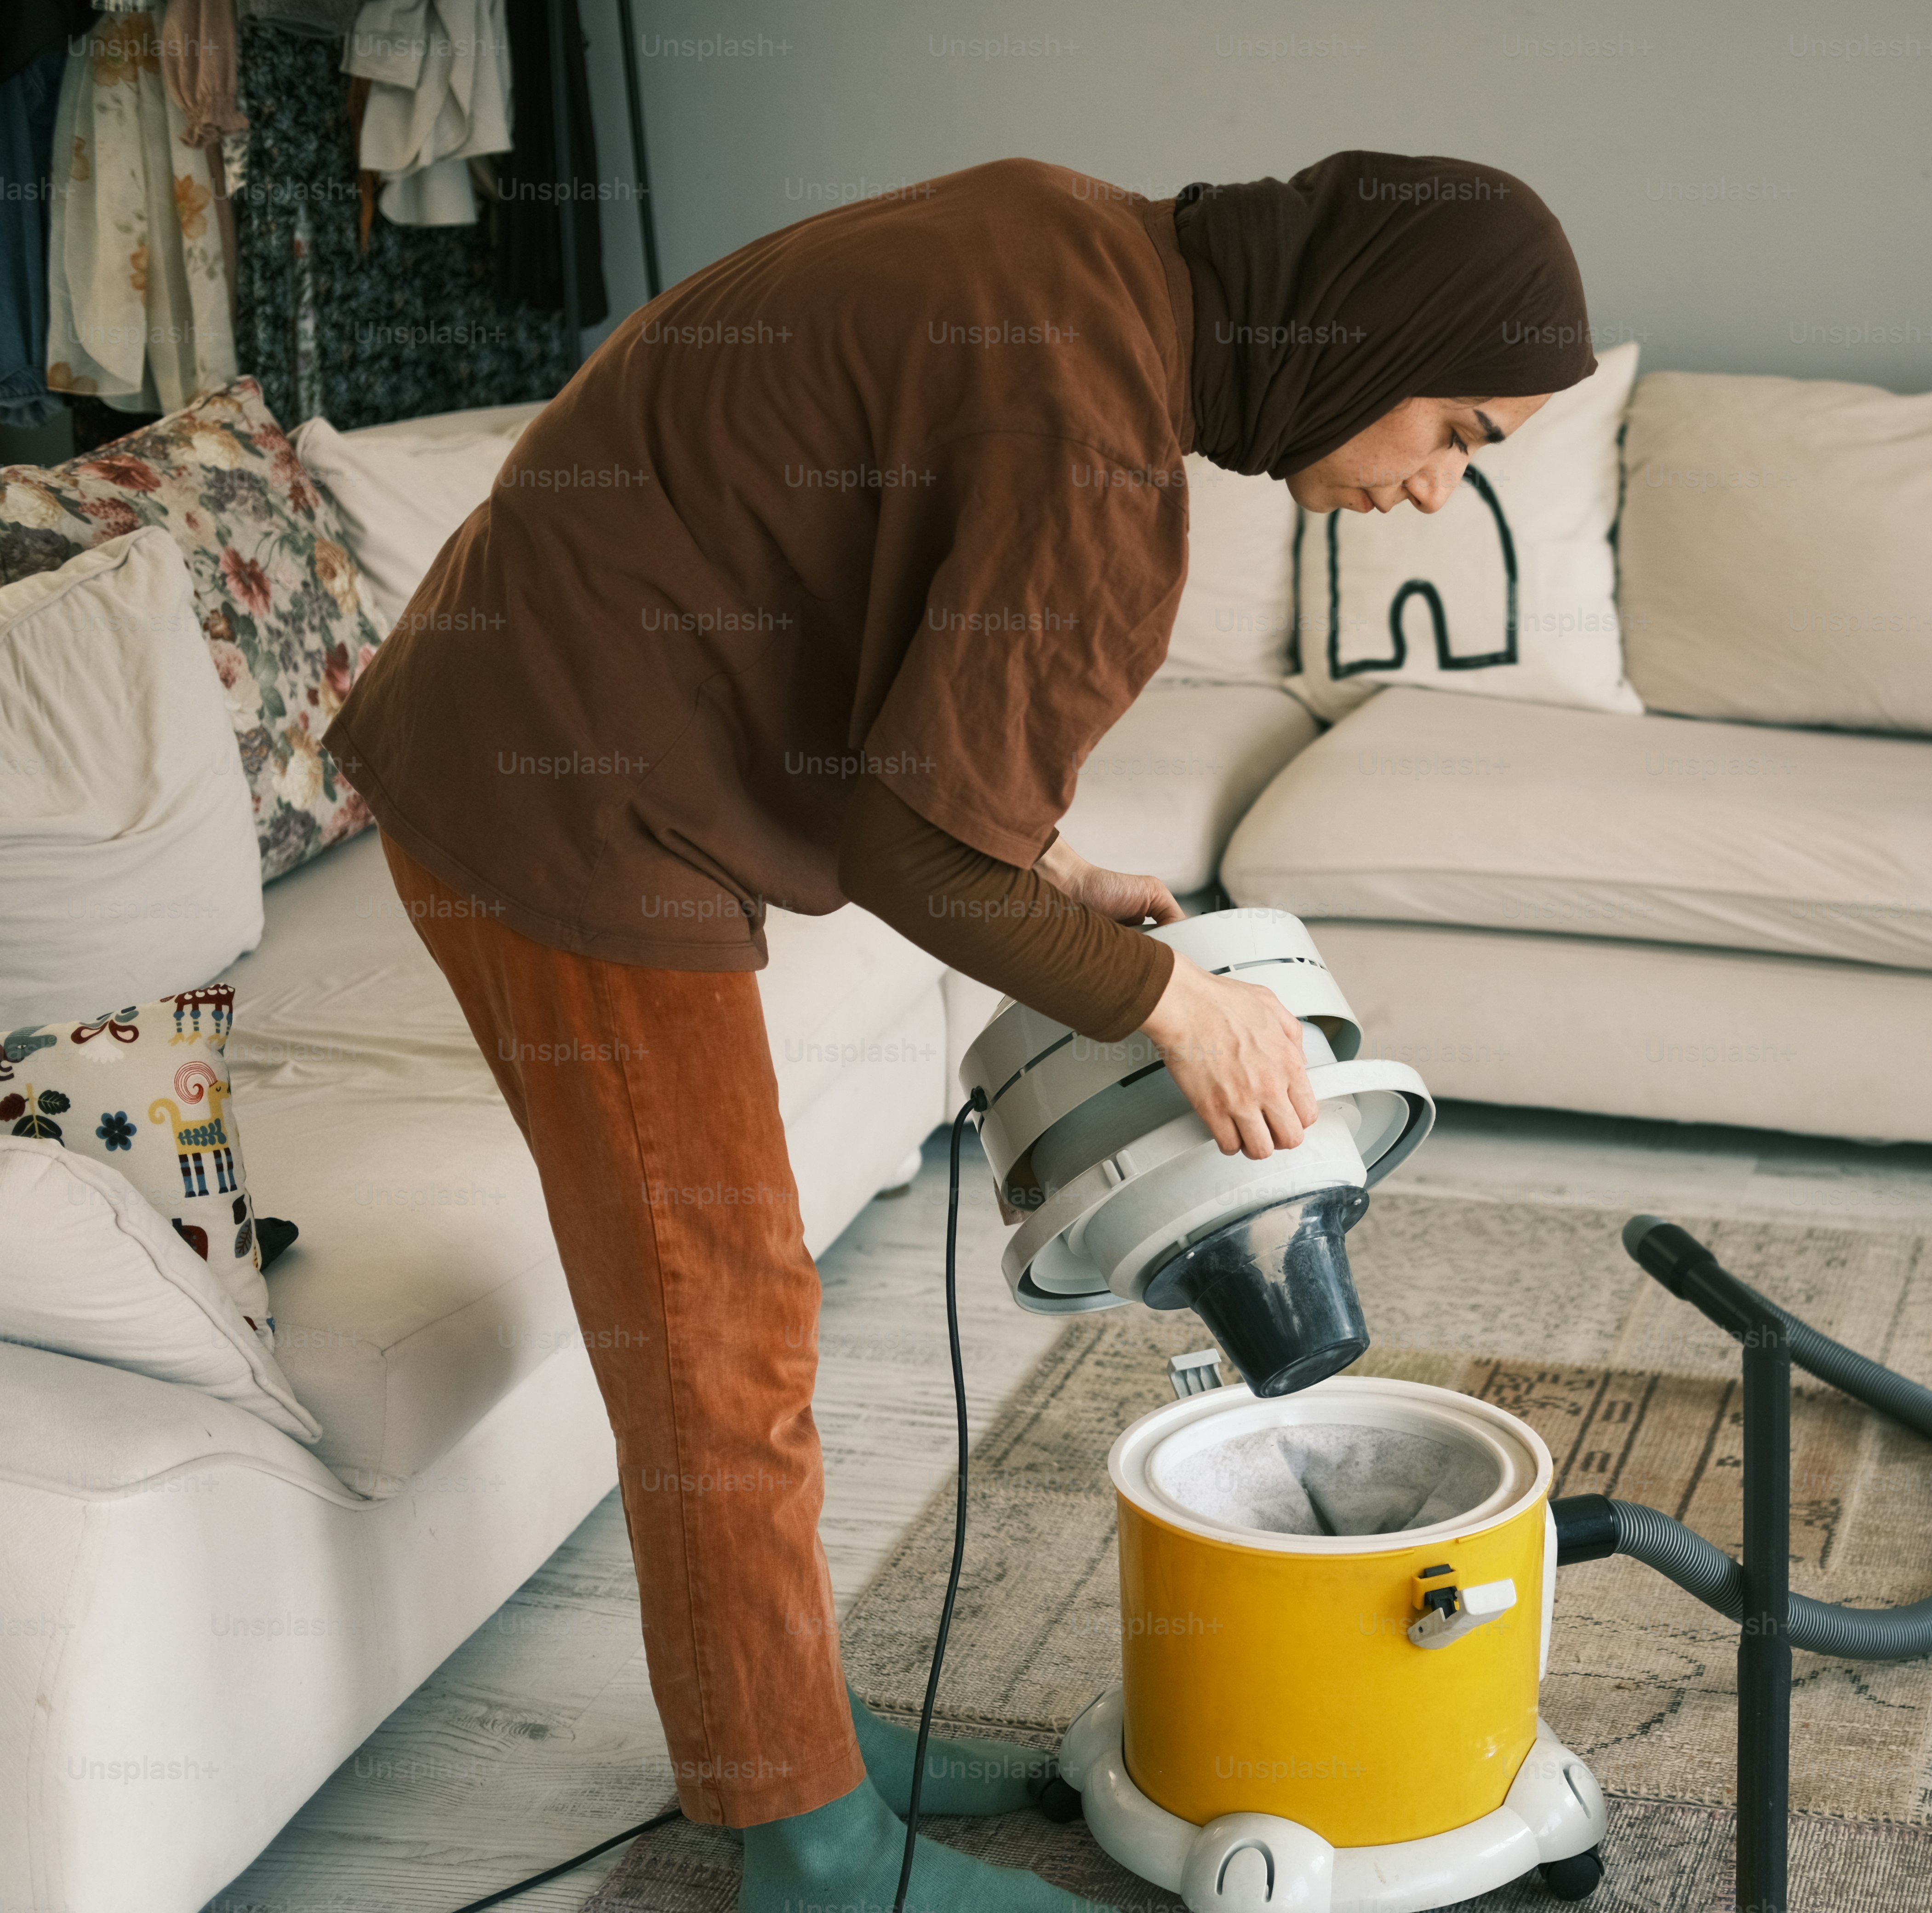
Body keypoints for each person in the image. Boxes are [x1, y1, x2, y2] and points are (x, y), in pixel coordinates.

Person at [322, 152, 1594, 1913]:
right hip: (565, 789)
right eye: (1458, 429)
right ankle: (814, 1853)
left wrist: (1046, 856)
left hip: (554, 691)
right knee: (723, 1329)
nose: (1437, 490)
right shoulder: (1094, 447)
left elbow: (864, 594)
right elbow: (908, 854)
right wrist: (1181, 1008)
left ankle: (777, 1743)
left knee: (726, 1322)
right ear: (1370, 328)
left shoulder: (1082, 254)